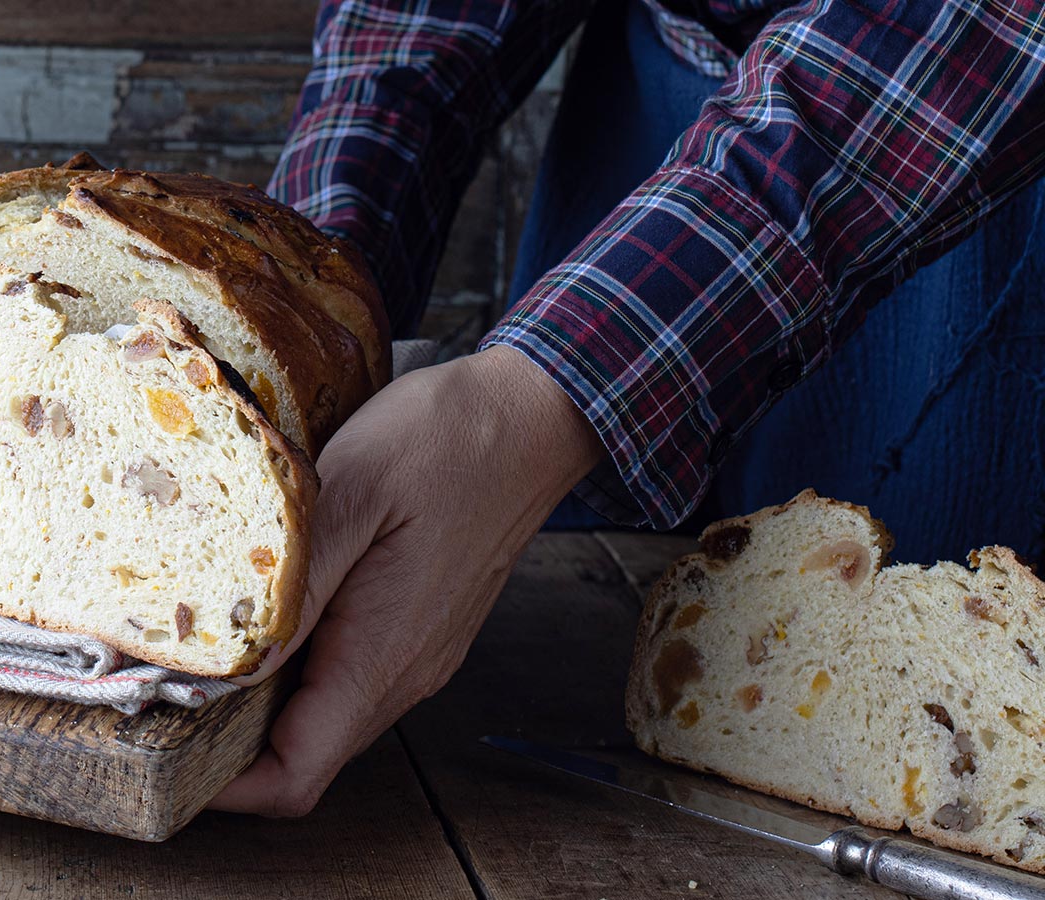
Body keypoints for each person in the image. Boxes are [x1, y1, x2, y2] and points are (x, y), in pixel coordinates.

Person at [210, 0, 1045, 817]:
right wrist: (311, 306)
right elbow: (410, 26)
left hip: (954, 138)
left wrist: (532, 406)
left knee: (935, 714)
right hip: (644, 153)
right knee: (572, 673)